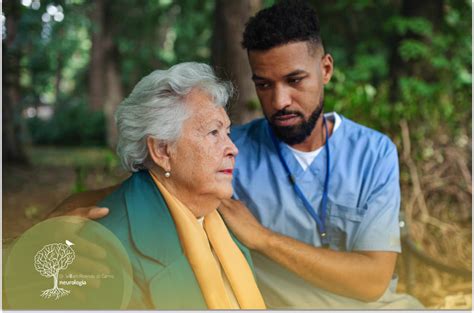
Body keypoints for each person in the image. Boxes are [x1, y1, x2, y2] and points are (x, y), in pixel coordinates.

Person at [54, 0, 423, 309]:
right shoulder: (229, 152)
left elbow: (373, 281)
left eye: (295, 81)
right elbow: (145, 191)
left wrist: (263, 239)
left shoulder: (373, 152)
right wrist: (52, 230)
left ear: (325, 69)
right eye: (263, 84)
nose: (279, 101)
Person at [67, 62, 266, 309]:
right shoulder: (104, 248)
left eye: (227, 132)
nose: (232, 148)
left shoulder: (218, 217)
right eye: (214, 132)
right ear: (162, 150)